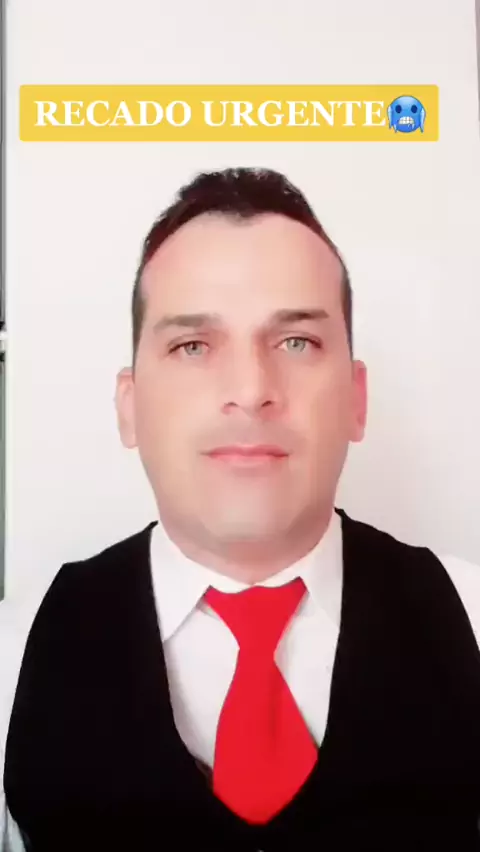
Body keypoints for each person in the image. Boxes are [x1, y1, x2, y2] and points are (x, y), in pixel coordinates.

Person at [1, 166, 480, 852]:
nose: (252, 389)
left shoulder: (472, 618)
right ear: (129, 406)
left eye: (296, 342)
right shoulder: (12, 657)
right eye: (192, 345)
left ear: (356, 399)